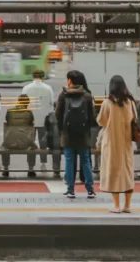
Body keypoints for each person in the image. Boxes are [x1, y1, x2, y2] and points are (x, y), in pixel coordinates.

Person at [98, 75, 136, 213]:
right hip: (126, 143)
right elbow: (134, 119)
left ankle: (116, 206)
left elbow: (101, 121)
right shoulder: (130, 102)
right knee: (126, 172)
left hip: (111, 142)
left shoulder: (107, 103)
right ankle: (127, 205)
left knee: (113, 172)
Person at [56, 70, 96, 198]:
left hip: (68, 134)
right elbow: (92, 116)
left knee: (69, 160)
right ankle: (90, 189)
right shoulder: (87, 95)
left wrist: (62, 128)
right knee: (85, 161)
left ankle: (70, 189)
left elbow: (58, 113)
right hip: (83, 134)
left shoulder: (64, 94)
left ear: (70, 81)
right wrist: (86, 128)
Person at [23, 69, 55, 173]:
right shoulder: (48, 88)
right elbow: (52, 103)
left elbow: (23, 103)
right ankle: (43, 164)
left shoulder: (26, 88)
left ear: (33, 76)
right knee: (43, 143)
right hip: (44, 119)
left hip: (30, 120)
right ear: (43, 76)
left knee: (30, 144)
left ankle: (30, 167)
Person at [1, 94, 37, 177]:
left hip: (10, 142)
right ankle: (31, 169)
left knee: (3, 147)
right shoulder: (29, 112)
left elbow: (8, 120)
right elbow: (31, 122)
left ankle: (5, 169)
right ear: (27, 103)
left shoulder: (10, 111)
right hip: (26, 142)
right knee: (33, 147)